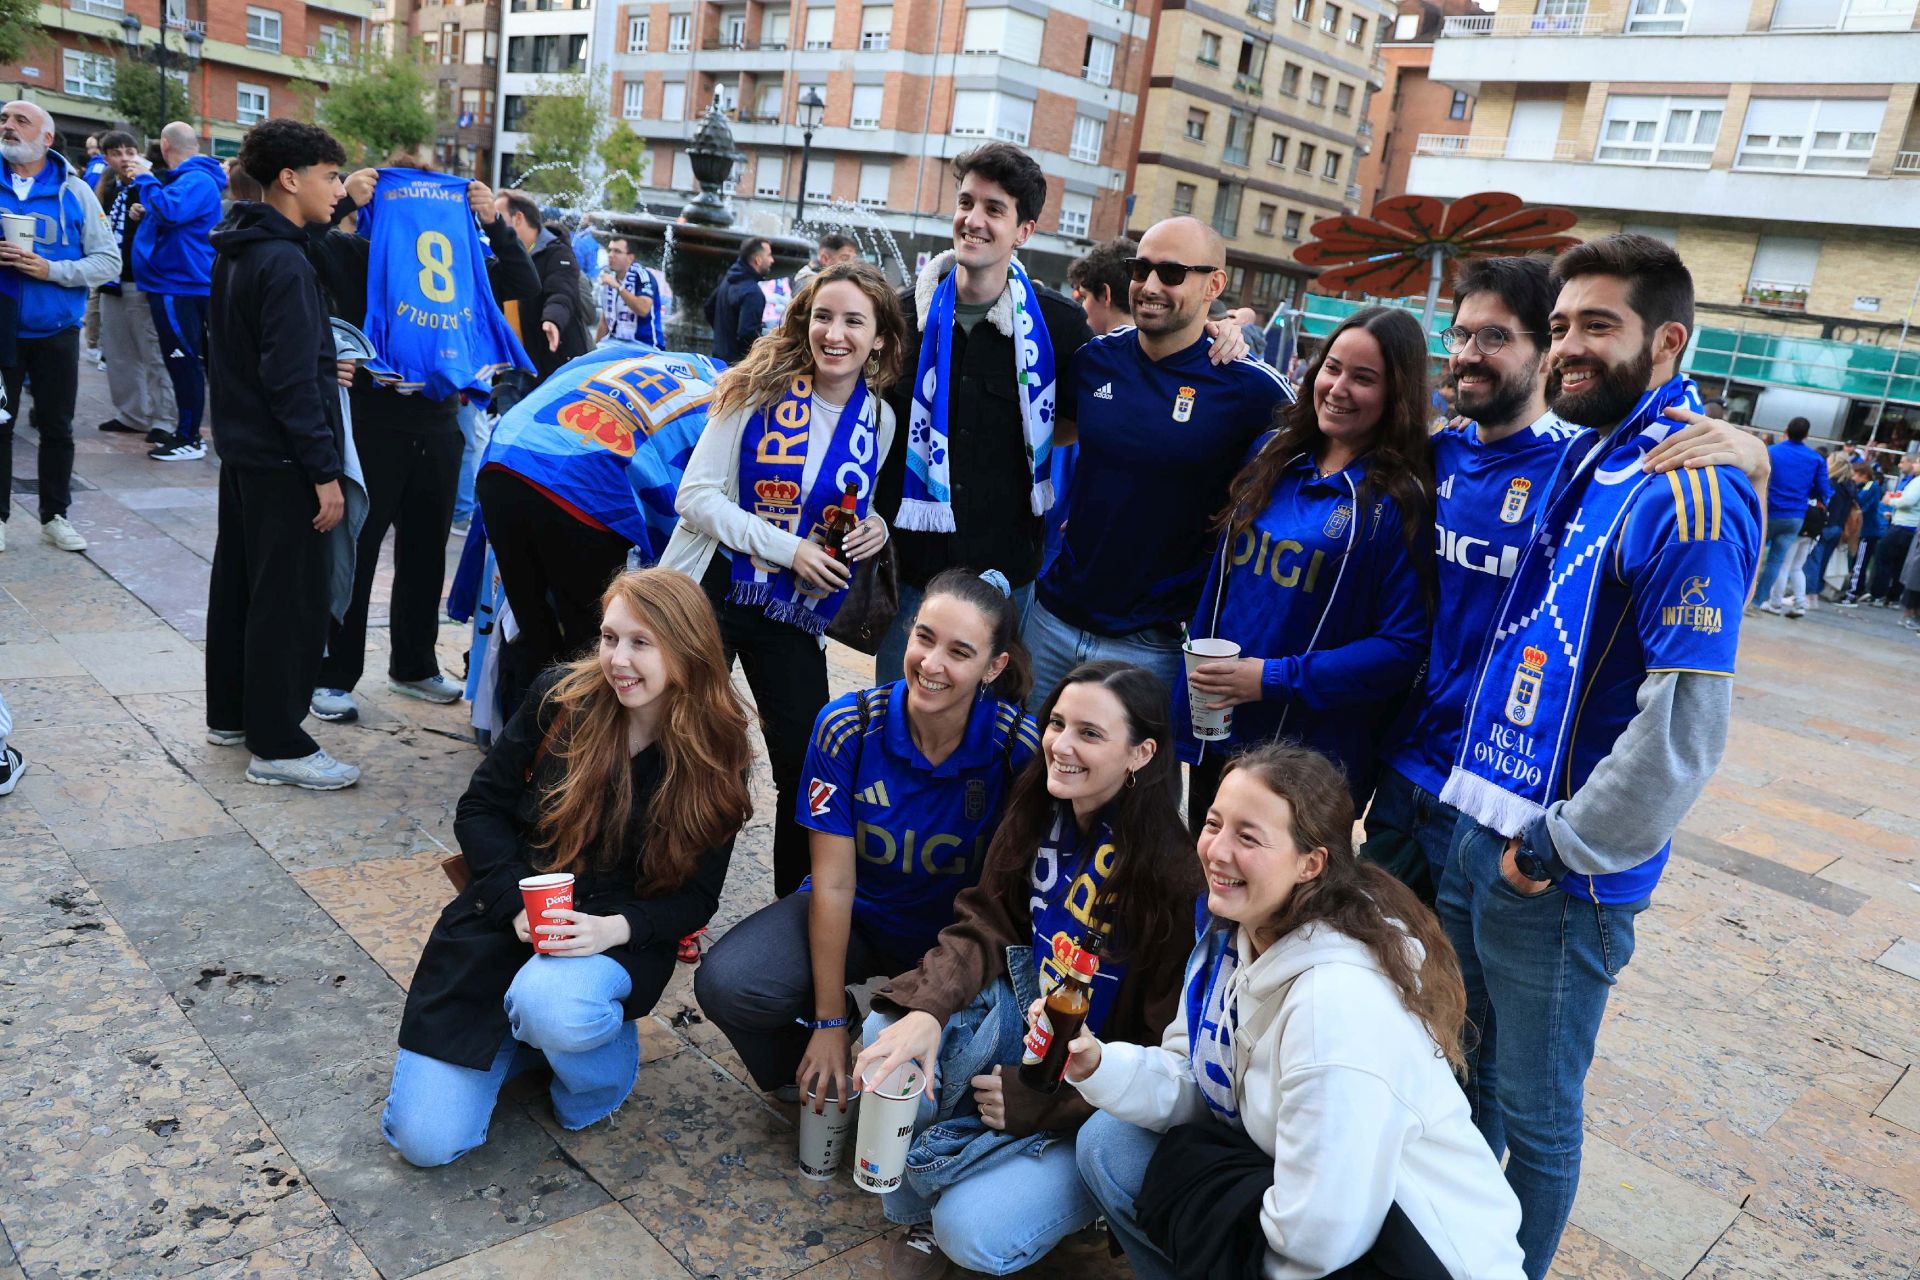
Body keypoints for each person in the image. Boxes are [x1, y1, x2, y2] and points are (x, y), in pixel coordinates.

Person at [1435, 234, 1761, 1279]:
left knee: (1534, 1116)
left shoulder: (1691, 487)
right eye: (1563, 324)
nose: (1569, 346)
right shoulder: (1596, 445)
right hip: (1482, 816)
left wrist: (1564, 846)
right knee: (1467, 1080)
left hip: (1557, 871)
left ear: (1666, 341)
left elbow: (1683, 731)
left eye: (1598, 326)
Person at [1069, 745, 1526, 1279]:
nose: (1216, 850)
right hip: (1323, 1214)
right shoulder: (1234, 939)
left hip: (1418, 1255)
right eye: (1214, 823)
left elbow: (1321, 1239)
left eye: (1248, 837)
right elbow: (1198, 1082)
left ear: (1311, 863)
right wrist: (1098, 1065)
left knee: (1186, 1187)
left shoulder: (1333, 1007)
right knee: (1111, 1144)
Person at [384, 568, 753, 1166]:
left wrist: (614, 929)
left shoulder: (718, 750)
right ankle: (532, 1034)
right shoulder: (562, 696)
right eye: (610, 637)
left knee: (555, 1007)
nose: (618, 659)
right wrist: (511, 906)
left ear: (686, 651)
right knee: (425, 1143)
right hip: (503, 926)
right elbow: (479, 808)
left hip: (614, 944)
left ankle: (592, 1067)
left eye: (641, 642)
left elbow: (697, 898)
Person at [851, 661, 1200, 1279]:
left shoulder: (1174, 876)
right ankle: (920, 1211)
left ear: (1142, 753)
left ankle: (1076, 1209)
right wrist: (927, 1011)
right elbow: (985, 920)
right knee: (887, 1039)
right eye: (1057, 722)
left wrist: (1051, 1105)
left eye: (1089, 734)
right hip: (1021, 1021)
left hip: (1095, 1095)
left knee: (974, 1233)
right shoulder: (1040, 799)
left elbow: (1163, 1059)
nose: (1061, 745)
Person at [694, 570, 1039, 1103]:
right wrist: (828, 1024)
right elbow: (832, 886)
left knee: (947, 1088)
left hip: (953, 945)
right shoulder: (847, 726)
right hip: (859, 921)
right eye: (923, 637)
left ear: (995, 667)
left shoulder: (1018, 747)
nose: (931, 664)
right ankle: (816, 1076)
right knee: (729, 983)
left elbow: (1016, 903)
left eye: (960, 652)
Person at [663, 261, 905, 896]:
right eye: (824, 316)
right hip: (716, 587)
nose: (835, 333)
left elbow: (844, 500)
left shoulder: (877, 420)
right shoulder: (753, 388)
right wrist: (787, 548)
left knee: (806, 759)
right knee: (693, 744)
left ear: (878, 337)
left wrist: (873, 526)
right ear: (804, 319)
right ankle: (672, 897)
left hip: (794, 608)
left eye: (855, 321)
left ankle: (791, 910)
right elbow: (696, 498)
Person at [301, 156, 538, 725]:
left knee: (428, 549)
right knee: (356, 549)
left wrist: (494, 224)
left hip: (439, 420)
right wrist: (351, 201)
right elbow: (302, 246)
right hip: (375, 419)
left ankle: (412, 664)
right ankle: (333, 674)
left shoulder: (462, 260)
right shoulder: (358, 253)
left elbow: (522, 281)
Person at [1180, 304, 1433, 827]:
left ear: (1397, 394)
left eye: (1364, 378)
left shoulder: (1400, 498)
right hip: (1220, 727)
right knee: (1209, 884)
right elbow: (1223, 586)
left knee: (1281, 903)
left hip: (1311, 763)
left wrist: (1272, 679)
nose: (1338, 387)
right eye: (1332, 367)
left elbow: (1402, 648)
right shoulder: (1273, 452)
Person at [1026, 218, 1293, 709]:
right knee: (1023, 772)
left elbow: (1320, 467)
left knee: (1136, 785)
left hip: (1152, 645)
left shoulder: (1249, 386)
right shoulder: (1095, 361)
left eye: (1171, 273)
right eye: (1141, 268)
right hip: (1051, 620)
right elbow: (1048, 436)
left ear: (1214, 284)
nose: (1150, 286)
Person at [872, 144, 1096, 683]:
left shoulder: (1058, 328)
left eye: (994, 209)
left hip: (1007, 584)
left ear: (1024, 230)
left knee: (991, 741)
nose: (973, 220)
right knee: (896, 719)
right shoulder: (901, 316)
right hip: (911, 583)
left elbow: (1077, 420)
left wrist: (1216, 328)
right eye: (966, 202)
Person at [204, 118, 359, 790]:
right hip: (284, 460)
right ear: (290, 179)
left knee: (240, 587)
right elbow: (291, 380)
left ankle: (234, 715)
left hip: (244, 453)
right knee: (288, 601)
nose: (339, 190)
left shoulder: (240, 245)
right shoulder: (285, 261)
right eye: (331, 177)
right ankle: (279, 743)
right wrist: (323, 472)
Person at [0, 99, 119, 555]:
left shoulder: (75, 192)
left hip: (56, 330)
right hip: (1, 330)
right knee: (0, 425)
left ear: (46, 137)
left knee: (58, 428)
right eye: (4, 120)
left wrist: (49, 269)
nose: (8, 127)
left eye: (20, 121)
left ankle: (55, 516)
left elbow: (108, 260)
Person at [129, 121, 227, 461]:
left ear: (165, 144)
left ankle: (190, 438)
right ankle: (186, 434)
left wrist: (144, 178)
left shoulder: (196, 179)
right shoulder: (192, 180)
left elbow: (171, 212)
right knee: (182, 360)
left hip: (179, 284)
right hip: (176, 282)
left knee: (183, 360)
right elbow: (171, 215)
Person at [1044, 237, 1136, 571]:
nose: (1079, 308)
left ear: (1106, 295)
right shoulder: (1166, 367)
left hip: (1057, 549)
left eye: (1083, 297)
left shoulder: (1088, 364)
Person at [91, 130, 177, 444]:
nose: (125, 158)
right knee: (118, 352)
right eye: (117, 152)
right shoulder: (106, 187)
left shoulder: (152, 183)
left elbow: (168, 221)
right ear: (106, 158)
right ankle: (132, 414)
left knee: (152, 352)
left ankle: (164, 419)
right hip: (112, 279)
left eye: (130, 151)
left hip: (143, 280)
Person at [494, 189, 591, 390]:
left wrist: (552, 320)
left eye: (498, 217)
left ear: (518, 218)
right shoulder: (500, 255)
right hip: (509, 369)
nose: (491, 223)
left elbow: (561, 292)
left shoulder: (557, 253)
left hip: (545, 366)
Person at [1758, 416, 1831, 612]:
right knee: (1776, 560)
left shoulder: (1772, 452)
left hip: (1768, 511)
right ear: (1807, 435)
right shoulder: (1816, 459)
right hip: (1795, 515)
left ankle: (1742, 597)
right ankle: (1758, 602)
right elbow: (1824, 490)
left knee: (1755, 555)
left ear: (1786, 430)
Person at [706, 236, 774, 362]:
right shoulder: (753, 292)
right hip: (736, 367)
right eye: (769, 255)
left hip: (718, 358)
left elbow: (709, 308)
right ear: (758, 260)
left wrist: (724, 336)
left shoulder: (728, 280)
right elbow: (747, 334)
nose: (772, 260)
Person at [595, 232, 664, 347]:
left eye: (617, 251)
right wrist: (593, 351)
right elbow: (604, 321)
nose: (611, 255)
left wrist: (618, 287)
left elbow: (643, 309)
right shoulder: (608, 277)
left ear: (630, 258)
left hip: (643, 345)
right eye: (610, 250)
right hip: (614, 343)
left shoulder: (643, 276)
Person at [1064, 237, 1133, 338]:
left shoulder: (1091, 352)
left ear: (1105, 295)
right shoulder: (1156, 347)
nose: (1081, 306)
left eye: (1084, 297)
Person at [1838, 459, 1883, 606]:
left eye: (1855, 475)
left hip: (1866, 531)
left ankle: (1851, 594)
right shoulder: (1870, 486)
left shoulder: (1870, 486)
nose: (1853, 478)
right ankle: (1860, 590)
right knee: (1860, 562)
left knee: (1859, 563)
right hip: (1867, 531)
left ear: (1864, 475)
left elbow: (1860, 501)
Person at [1878, 453, 1920, 610]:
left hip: (1903, 527)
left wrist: (1891, 502)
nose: (1914, 465)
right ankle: (1894, 597)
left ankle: (1879, 594)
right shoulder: (1908, 480)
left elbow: (1908, 501)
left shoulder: (1916, 482)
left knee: (1885, 560)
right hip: (1909, 525)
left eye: (1917, 463)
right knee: (1900, 564)